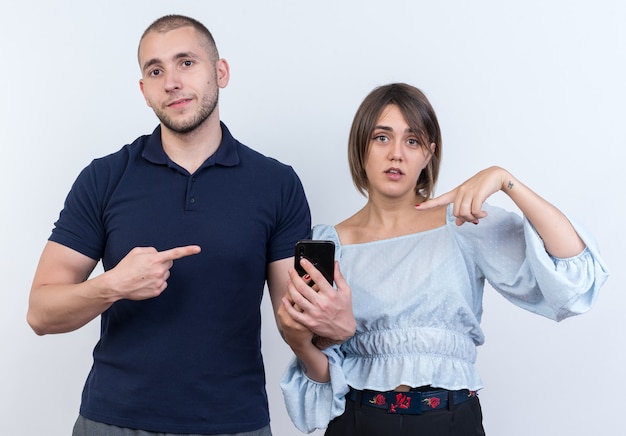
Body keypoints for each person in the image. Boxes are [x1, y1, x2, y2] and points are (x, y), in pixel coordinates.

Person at [26, 14, 315, 436]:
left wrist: (327, 323)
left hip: (232, 423)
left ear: (220, 72)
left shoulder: (276, 183)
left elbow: (295, 321)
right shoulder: (105, 177)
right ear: (144, 91)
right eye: (155, 70)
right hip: (112, 422)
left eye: (186, 63)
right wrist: (112, 285)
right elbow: (40, 313)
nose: (171, 81)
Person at [277, 83, 609, 435]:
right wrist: (302, 339)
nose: (396, 154)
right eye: (381, 137)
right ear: (361, 146)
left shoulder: (464, 222)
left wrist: (504, 179)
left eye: (412, 140)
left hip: (451, 421)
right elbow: (322, 373)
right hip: (359, 420)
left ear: (429, 154)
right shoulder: (331, 244)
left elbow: (575, 270)